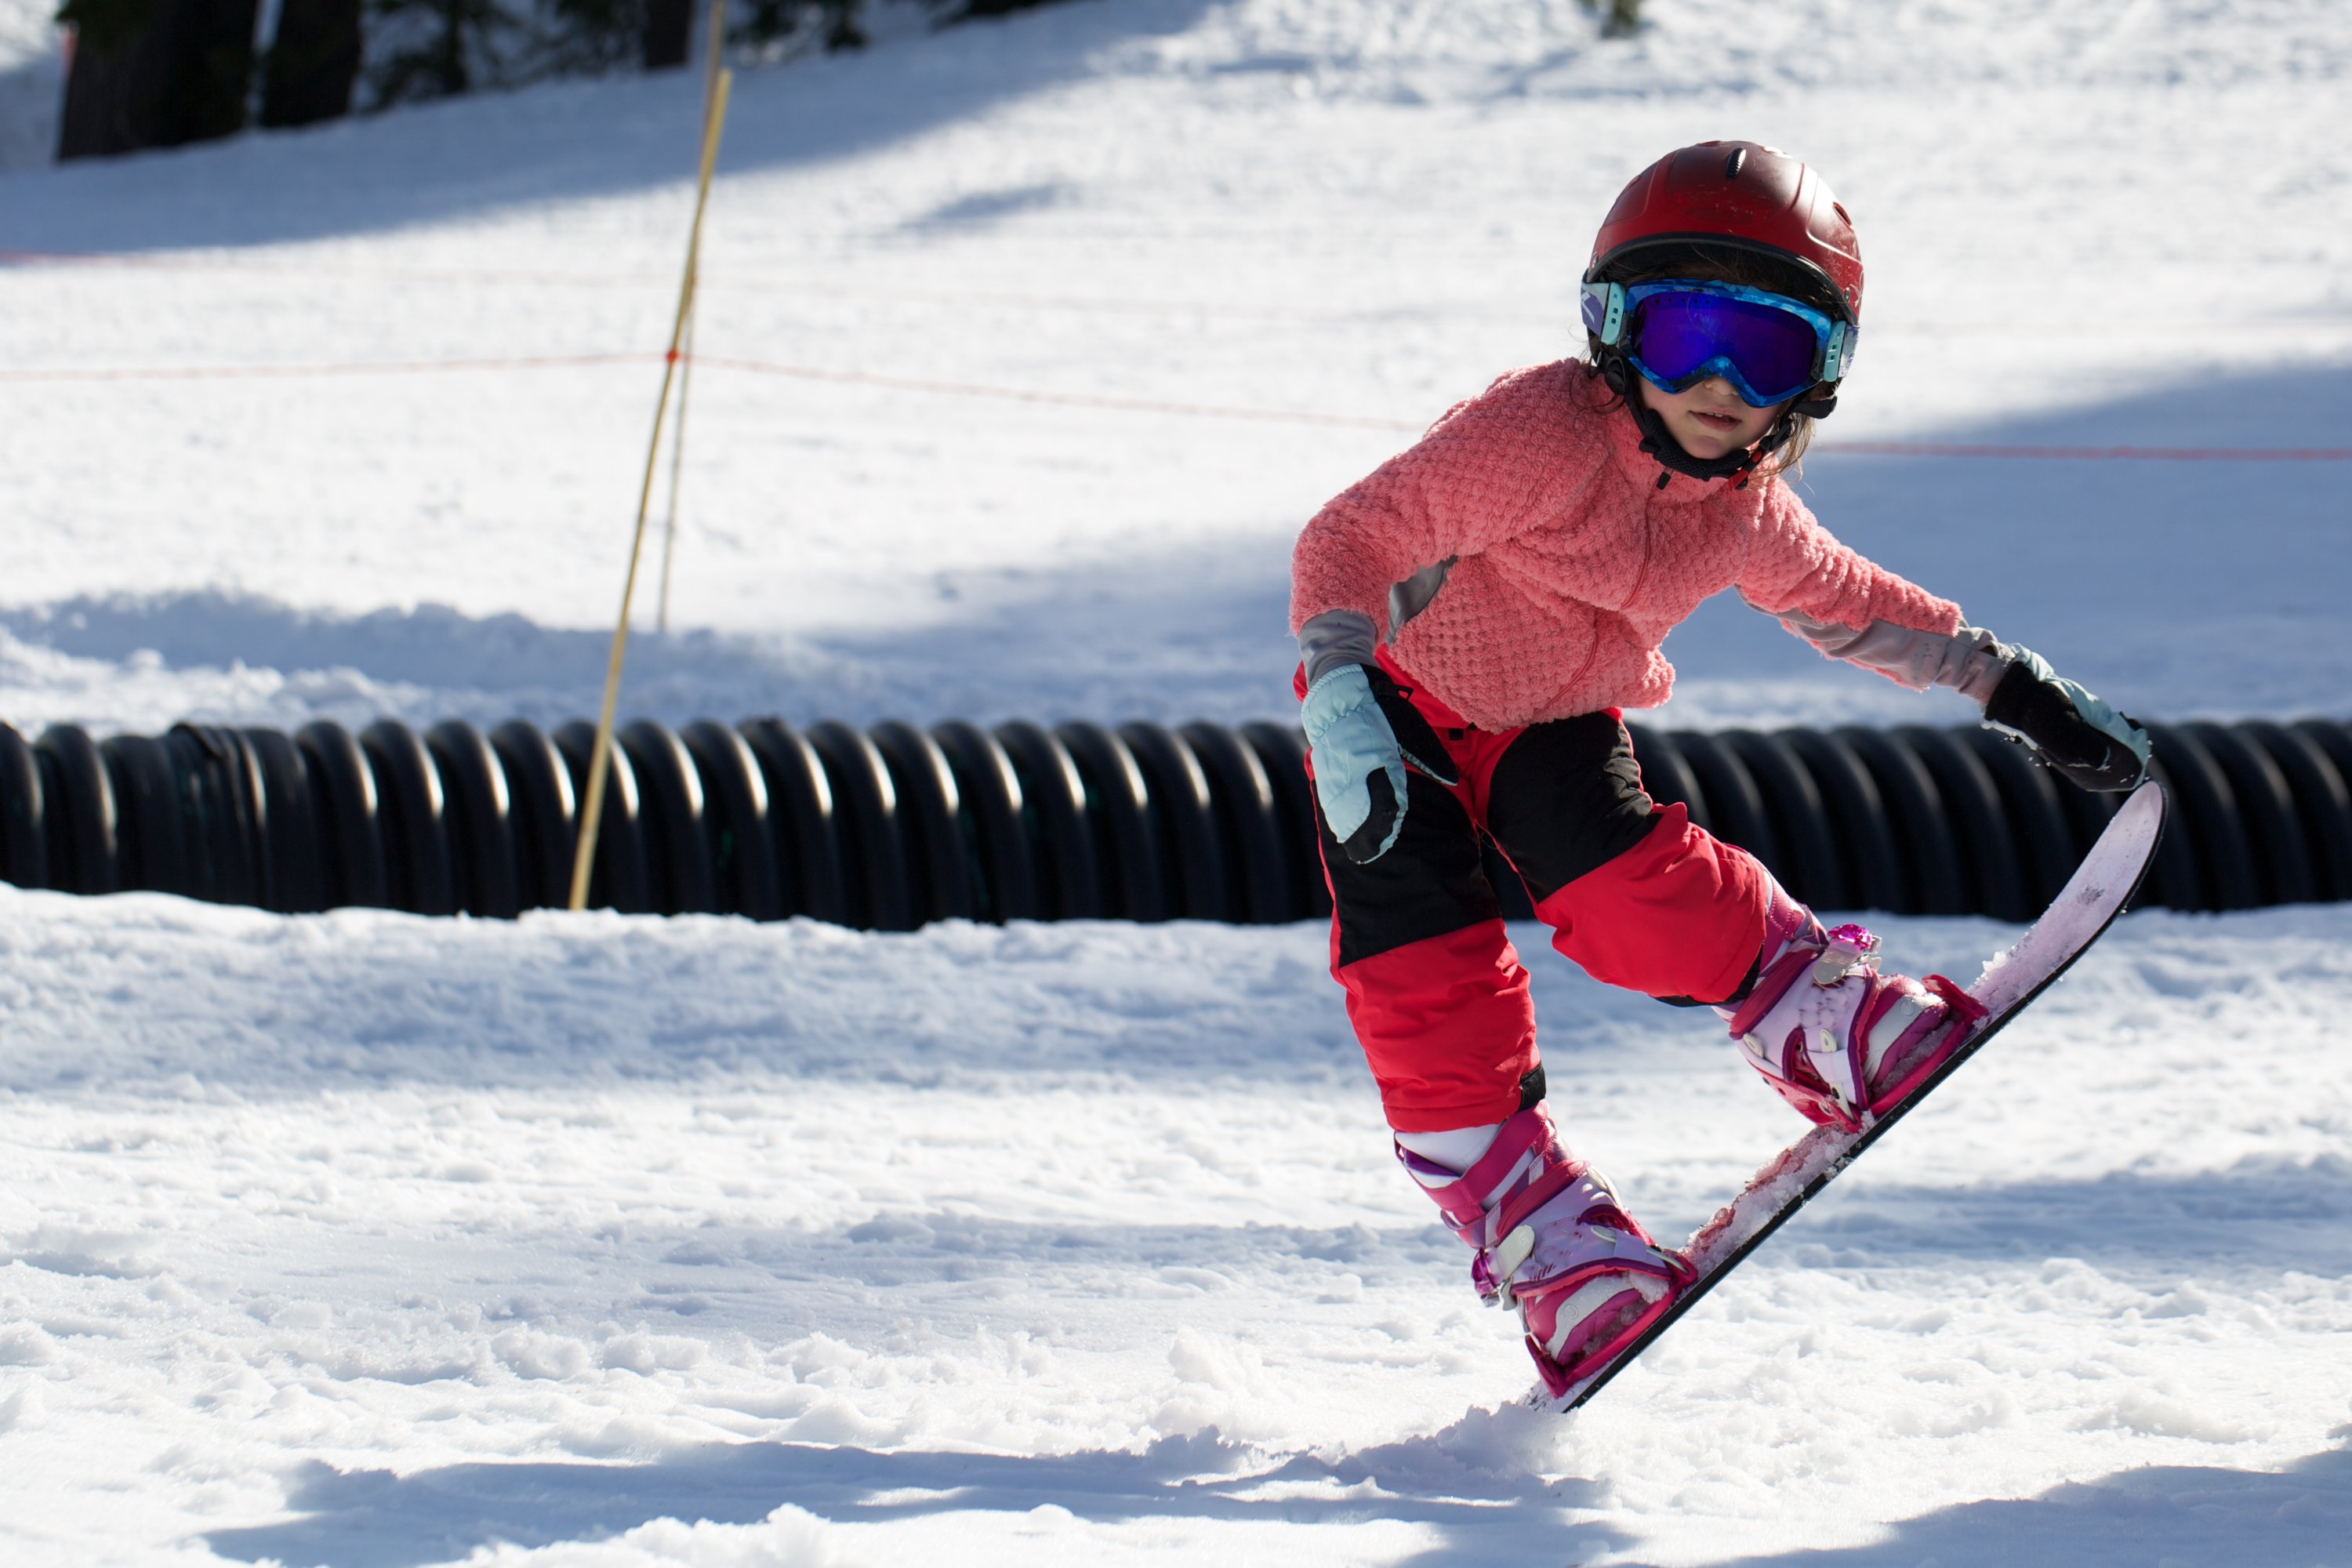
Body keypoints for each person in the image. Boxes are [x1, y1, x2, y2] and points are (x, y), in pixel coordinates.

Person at [1287, 140, 2149, 1398]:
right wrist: (1344, 687)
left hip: (1555, 721)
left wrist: (2007, 685)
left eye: (1771, 352)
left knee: (1640, 887)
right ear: (1616, 328)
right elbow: (1354, 534)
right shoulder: (1538, 431)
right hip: (1391, 714)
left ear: (1822, 377)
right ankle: (1546, 1241)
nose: (1721, 383)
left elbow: (1853, 606)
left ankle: (1814, 1016)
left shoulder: (1743, 504)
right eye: (1689, 330)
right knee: (1425, 978)